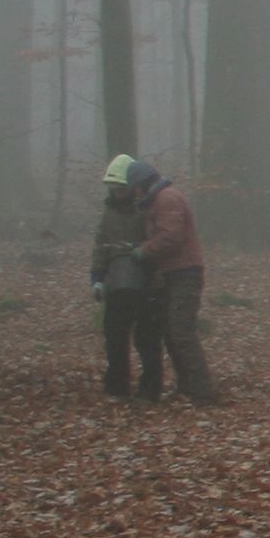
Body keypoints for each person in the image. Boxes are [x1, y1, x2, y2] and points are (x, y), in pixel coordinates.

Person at [125, 157, 220, 406]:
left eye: (135, 187)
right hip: (173, 273)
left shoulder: (167, 199)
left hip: (184, 273)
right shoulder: (158, 200)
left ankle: (202, 393)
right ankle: (187, 386)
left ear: (143, 183)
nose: (134, 193)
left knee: (181, 331)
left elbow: (170, 238)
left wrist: (144, 250)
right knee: (171, 331)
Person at [89, 156, 168, 399]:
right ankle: (117, 385)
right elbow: (101, 246)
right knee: (114, 337)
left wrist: (152, 269)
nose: (117, 193)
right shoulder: (109, 213)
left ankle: (151, 387)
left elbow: (158, 242)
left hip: (145, 281)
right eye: (114, 189)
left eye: (121, 188)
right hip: (116, 282)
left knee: (147, 338)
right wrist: (97, 278)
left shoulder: (146, 209)